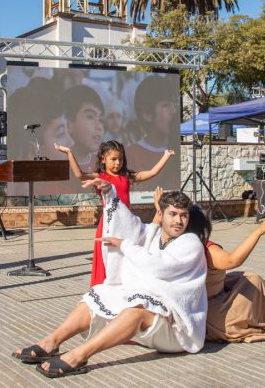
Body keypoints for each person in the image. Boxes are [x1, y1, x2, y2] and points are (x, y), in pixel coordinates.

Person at [13, 183, 207, 378]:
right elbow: (130, 225)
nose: (178, 220)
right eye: (173, 214)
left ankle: (79, 355)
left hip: (178, 330)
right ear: (161, 213)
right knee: (98, 294)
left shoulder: (191, 243)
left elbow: (159, 265)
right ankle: (51, 342)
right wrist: (110, 193)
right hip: (156, 320)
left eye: (183, 215)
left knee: (136, 312)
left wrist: (125, 245)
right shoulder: (154, 234)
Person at [55, 140, 175, 287]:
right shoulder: (100, 177)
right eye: (113, 159)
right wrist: (69, 153)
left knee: (127, 257)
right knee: (109, 259)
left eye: (121, 159)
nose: (118, 163)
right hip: (109, 225)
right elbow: (80, 175)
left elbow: (152, 172)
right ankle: (103, 291)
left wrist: (166, 156)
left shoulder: (126, 176)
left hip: (127, 226)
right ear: (103, 160)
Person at [183, 206, 265, 343]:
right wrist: (259, 231)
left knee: (246, 278)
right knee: (254, 282)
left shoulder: (176, 247)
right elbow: (233, 260)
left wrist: (160, 212)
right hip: (214, 317)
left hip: (192, 312)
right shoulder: (209, 250)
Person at [125, 75, 180, 187]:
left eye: (174, 105)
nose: (173, 111)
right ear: (147, 114)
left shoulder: (175, 149)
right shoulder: (130, 154)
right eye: (165, 105)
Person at [62, 84, 105, 173]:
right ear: (68, 124)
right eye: (90, 117)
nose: (99, 126)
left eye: (101, 119)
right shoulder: (58, 167)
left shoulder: (103, 167)